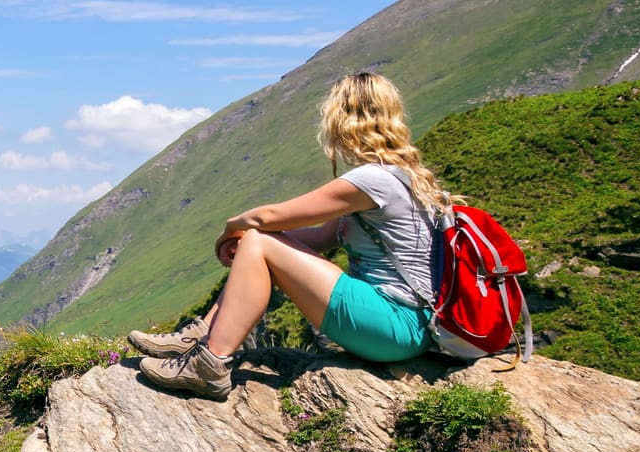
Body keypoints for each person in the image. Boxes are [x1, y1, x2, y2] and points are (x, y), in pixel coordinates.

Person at [128, 73, 452, 400]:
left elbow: (266, 217)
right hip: (401, 324)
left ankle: (209, 366)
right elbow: (320, 238)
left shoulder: (373, 180)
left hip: (395, 324)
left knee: (258, 238)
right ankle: (201, 337)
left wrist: (231, 230)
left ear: (343, 120)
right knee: (257, 243)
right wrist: (249, 250)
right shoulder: (398, 176)